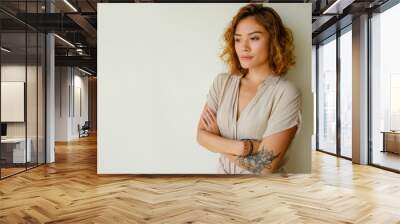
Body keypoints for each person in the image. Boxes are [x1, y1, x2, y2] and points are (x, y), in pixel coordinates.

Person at [196, 3, 301, 175]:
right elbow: (201, 137)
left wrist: (218, 141)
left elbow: (265, 167)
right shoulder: (222, 83)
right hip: (221, 188)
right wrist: (245, 147)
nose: (243, 47)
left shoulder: (286, 92)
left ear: (273, 40)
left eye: (254, 38)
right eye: (238, 39)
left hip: (262, 195)